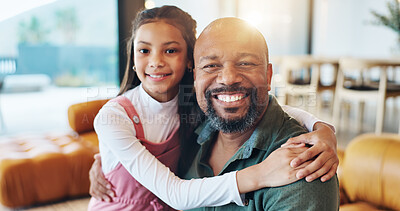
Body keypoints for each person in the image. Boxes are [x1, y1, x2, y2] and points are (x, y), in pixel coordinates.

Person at [89, 6, 339, 210]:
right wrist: (261, 174)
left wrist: (323, 129)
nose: (155, 61)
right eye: (144, 50)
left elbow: (264, 103)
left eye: (170, 50)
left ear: (188, 62)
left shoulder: (193, 105)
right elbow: (175, 194)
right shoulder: (116, 117)